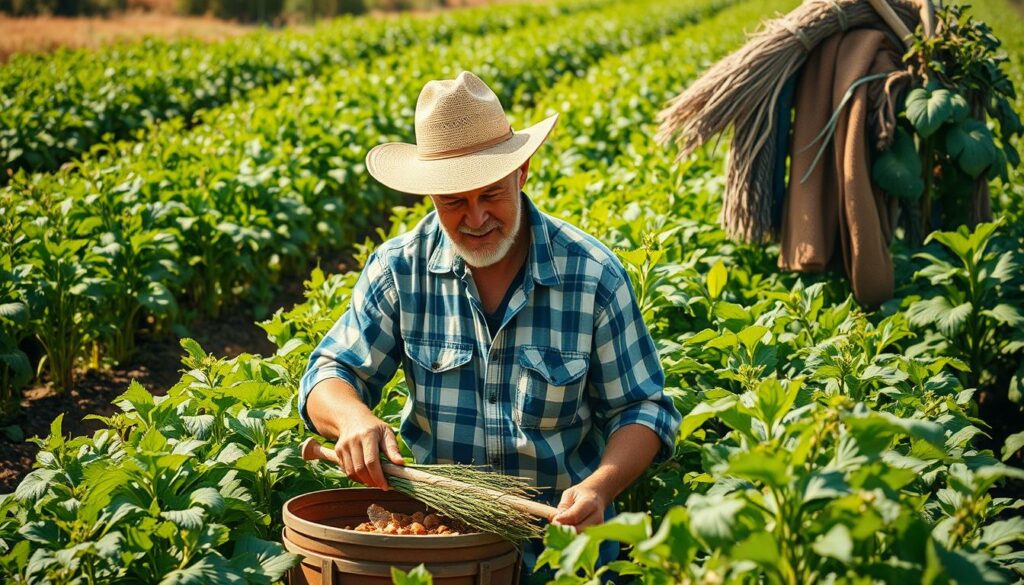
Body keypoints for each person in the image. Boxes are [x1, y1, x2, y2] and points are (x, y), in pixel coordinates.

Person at [299, 71, 681, 583]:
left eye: (490, 194)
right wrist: (351, 420)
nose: (476, 217)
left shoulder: (591, 276)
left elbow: (643, 406)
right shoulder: (400, 270)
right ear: (429, 195)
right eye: (454, 201)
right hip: (445, 545)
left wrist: (601, 487)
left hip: (563, 551)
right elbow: (330, 371)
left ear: (522, 172)